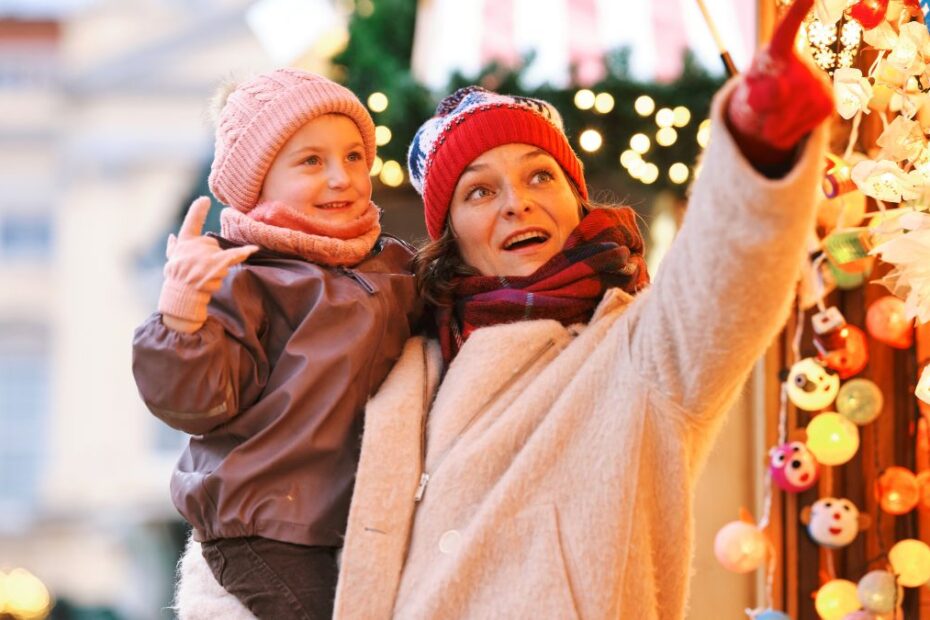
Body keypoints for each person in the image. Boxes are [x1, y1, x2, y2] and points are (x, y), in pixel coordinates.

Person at [332, 1, 832, 618]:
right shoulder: (405, 365)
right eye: (480, 190)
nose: (516, 203)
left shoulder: (639, 354)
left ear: (576, 199)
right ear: (451, 235)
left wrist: (757, 150)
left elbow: (726, 278)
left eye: (541, 176)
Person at [131, 68, 419, 619]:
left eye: (353, 156)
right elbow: (195, 402)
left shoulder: (392, 267)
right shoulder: (243, 277)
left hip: (358, 518)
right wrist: (183, 313)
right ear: (257, 181)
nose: (341, 177)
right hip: (263, 526)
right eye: (311, 161)